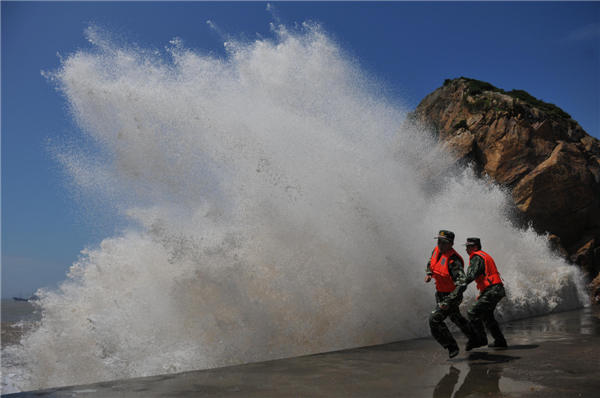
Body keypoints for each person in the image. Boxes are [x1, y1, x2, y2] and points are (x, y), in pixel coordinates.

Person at [426, 230, 478, 358]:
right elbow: (430, 264)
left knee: (434, 319)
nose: (441, 245)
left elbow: (462, 284)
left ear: (451, 244)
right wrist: (429, 273)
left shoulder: (453, 261)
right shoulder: (436, 251)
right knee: (455, 317)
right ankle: (476, 337)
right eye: (439, 241)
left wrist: (448, 301)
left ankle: (451, 345)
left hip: (452, 296)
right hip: (440, 294)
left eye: (444, 242)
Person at [463, 237, 507, 350]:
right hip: (495, 289)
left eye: (468, 247)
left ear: (475, 247)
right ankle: (500, 341)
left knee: (472, 312)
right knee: (487, 315)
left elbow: (471, 274)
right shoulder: (483, 255)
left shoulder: (476, 257)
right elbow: (485, 275)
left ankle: (481, 339)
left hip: (493, 290)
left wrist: (459, 285)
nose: (466, 249)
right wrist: (481, 292)